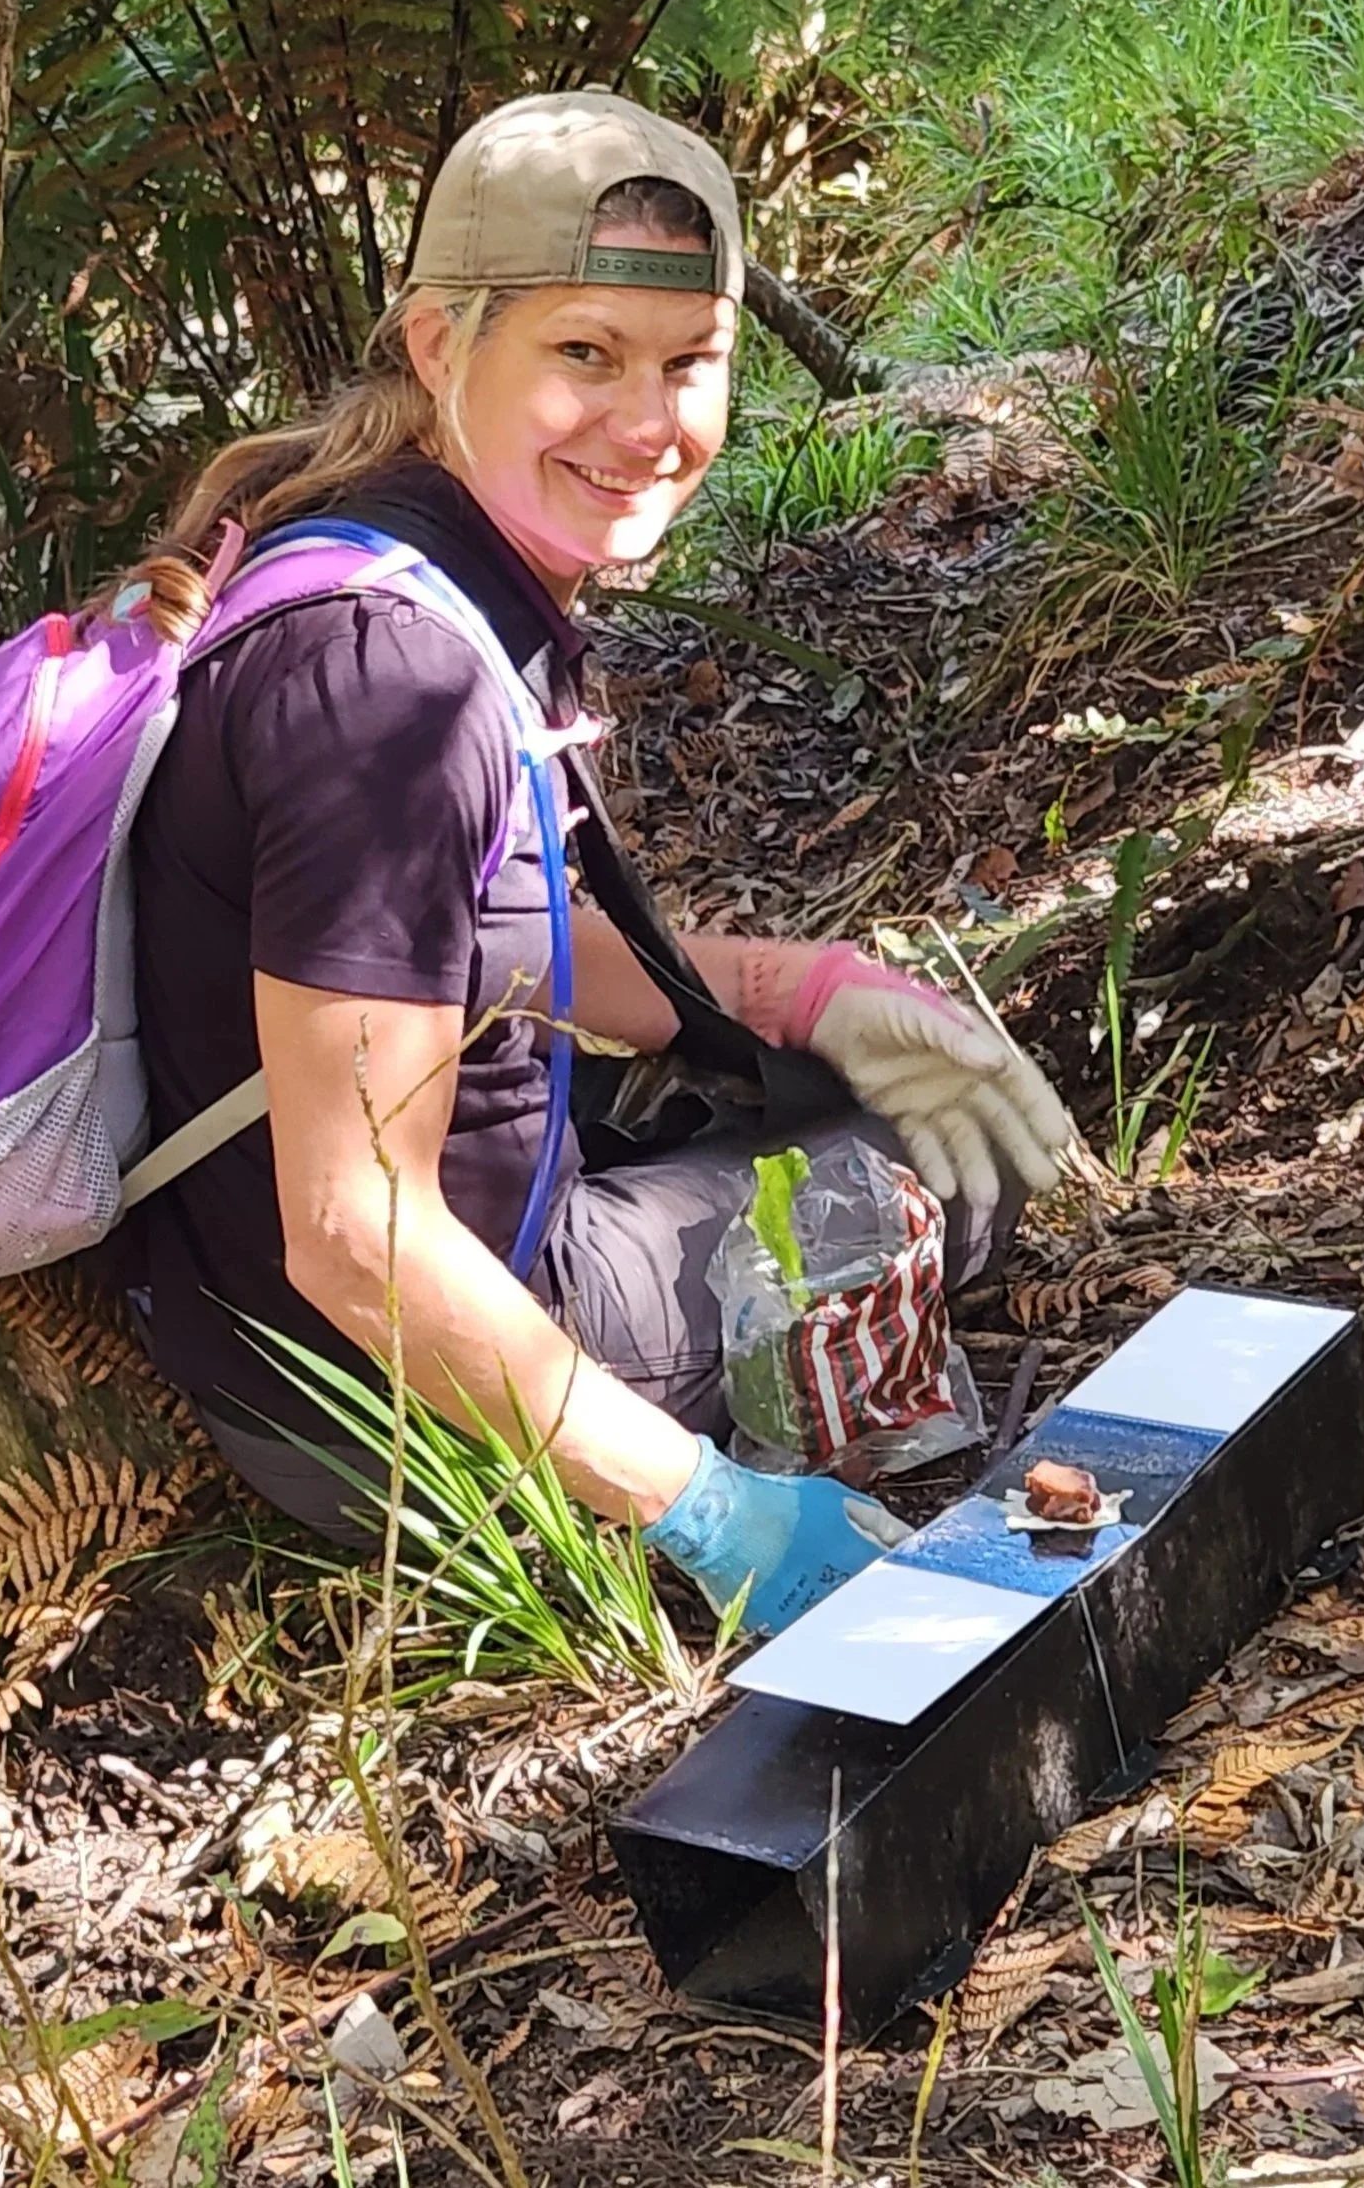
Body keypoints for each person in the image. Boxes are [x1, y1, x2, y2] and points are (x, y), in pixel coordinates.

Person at [93, 92, 1078, 1636]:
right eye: (584, 355)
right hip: (379, 1397)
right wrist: (713, 1511)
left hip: (271, 1310)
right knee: (975, 1162)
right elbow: (360, 1234)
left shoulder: (379, 551)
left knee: (889, 1086)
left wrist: (800, 999)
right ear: (437, 345)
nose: (649, 424)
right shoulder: (386, 681)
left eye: (691, 365)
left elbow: (481, 940)